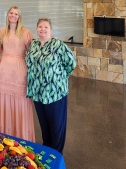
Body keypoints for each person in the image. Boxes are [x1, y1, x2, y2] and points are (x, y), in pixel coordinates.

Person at [25, 18, 77, 153]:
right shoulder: (34, 44)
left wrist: (59, 78)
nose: (42, 29)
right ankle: (47, 151)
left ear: (50, 30)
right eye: (40, 27)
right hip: (37, 93)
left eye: (46, 27)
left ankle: (56, 155)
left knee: (56, 126)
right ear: (36, 29)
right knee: (44, 125)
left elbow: (71, 63)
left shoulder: (58, 45)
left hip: (55, 93)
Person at [0, 6, 35, 142]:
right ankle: (4, 136)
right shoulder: (1, 31)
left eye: (16, 14)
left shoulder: (26, 32)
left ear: (19, 16)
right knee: (3, 102)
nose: (13, 15)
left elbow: (32, 52)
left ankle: (21, 136)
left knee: (20, 102)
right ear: (8, 15)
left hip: (19, 72)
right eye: (11, 13)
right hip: (4, 71)